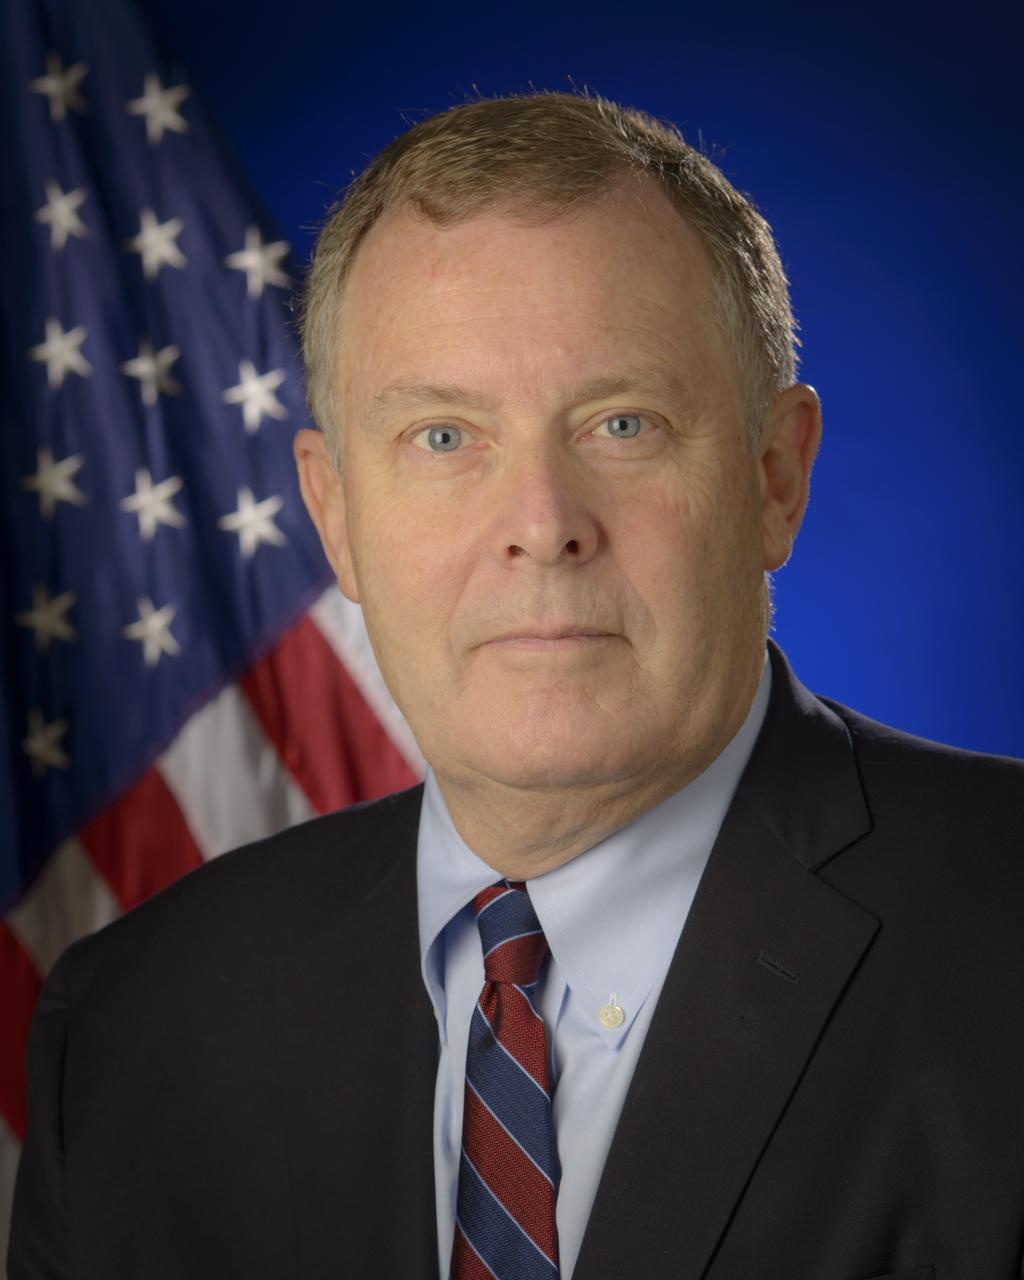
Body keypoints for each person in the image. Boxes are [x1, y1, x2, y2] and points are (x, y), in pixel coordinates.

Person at [9, 90, 1024, 1280]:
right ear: (333, 514)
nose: (541, 525)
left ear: (774, 477)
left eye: (622, 423)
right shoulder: (130, 1025)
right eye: (444, 436)